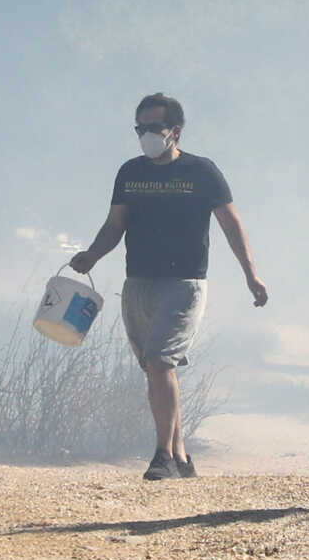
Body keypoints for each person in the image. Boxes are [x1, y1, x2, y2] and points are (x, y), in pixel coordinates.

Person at [70, 92, 268, 480]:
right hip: (139, 283)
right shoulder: (130, 173)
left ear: (175, 131)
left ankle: (161, 456)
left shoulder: (201, 172)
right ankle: (180, 456)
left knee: (160, 362)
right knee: (155, 369)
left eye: (154, 128)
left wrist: (251, 274)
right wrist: (92, 255)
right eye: (139, 128)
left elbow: (230, 224)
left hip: (185, 283)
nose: (146, 135)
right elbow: (115, 225)